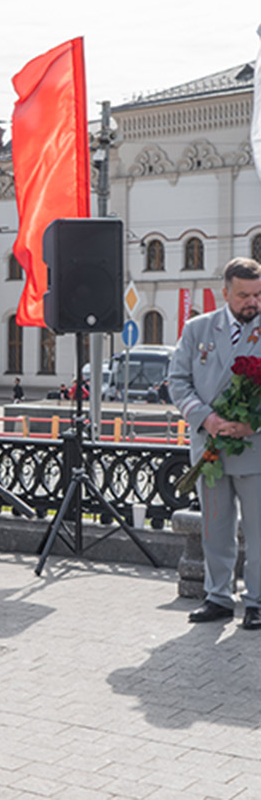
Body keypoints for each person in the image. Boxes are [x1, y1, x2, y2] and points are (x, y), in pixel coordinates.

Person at [170, 257, 261, 630]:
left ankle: (256, 600)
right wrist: (207, 418)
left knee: (259, 532)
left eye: (257, 294)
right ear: (225, 292)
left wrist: (252, 424)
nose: (251, 302)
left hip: (255, 449)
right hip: (209, 450)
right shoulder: (197, 329)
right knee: (215, 528)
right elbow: (177, 382)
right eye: (243, 295)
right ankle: (218, 596)